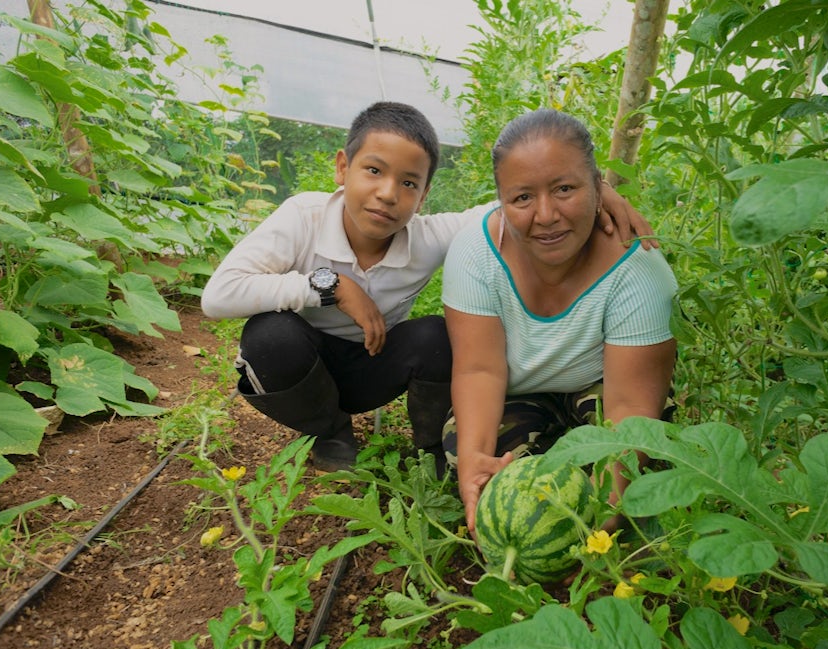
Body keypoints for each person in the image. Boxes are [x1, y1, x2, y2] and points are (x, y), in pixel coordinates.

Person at [201, 101, 653, 472]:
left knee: (436, 335)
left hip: (372, 365)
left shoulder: (429, 236)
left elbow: (512, 204)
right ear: (343, 167)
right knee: (269, 337)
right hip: (304, 366)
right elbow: (218, 295)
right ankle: (330, 431)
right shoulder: (303, 217)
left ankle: (431, 448)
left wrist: (597, 193)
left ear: (424, 196)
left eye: (409, 183)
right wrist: (330, 286)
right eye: (374, 171)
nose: (387, 193)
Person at [441, 108, 678, 533]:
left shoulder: (638, 269)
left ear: (599, 189)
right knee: (465, 447)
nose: (546, 215)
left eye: (565, 188)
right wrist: (475, 462)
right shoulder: (475, 251)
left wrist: (595, 522)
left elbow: (629, 408)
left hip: (600, 387)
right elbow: (480, 369)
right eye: (523, 198)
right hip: (517, 389)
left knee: (650, 449)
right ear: (501, 200)